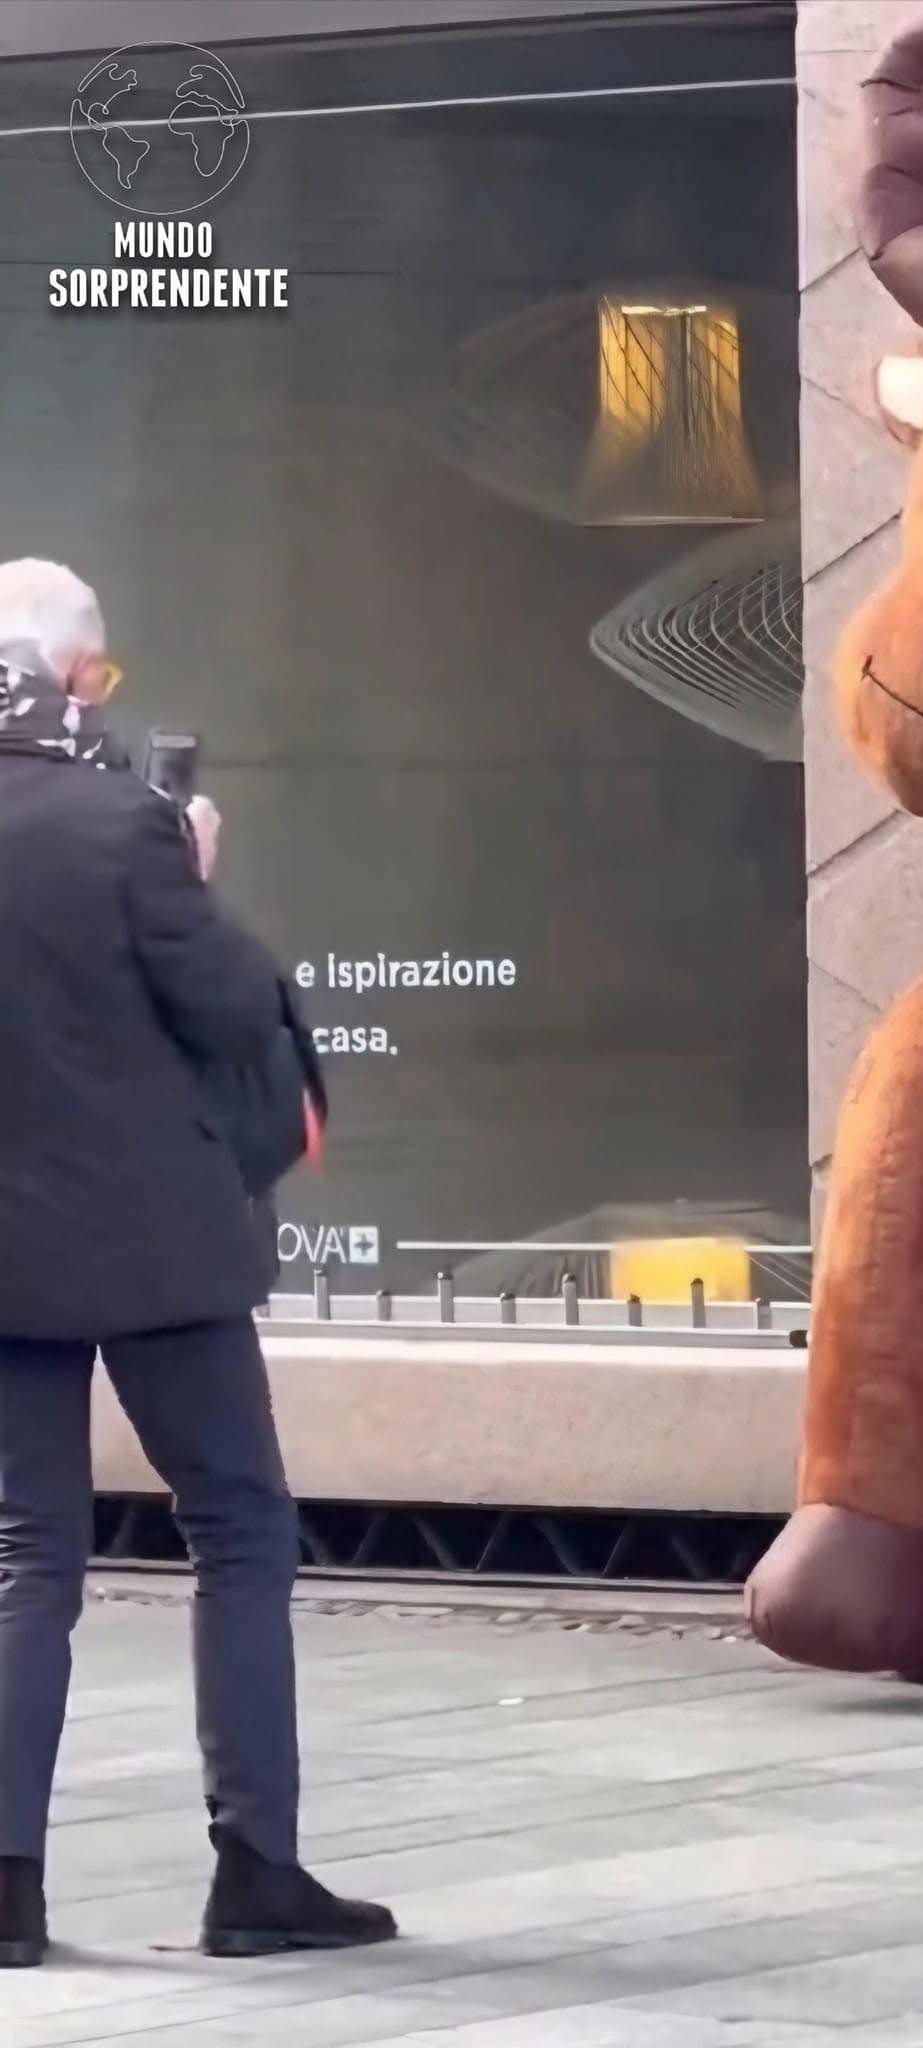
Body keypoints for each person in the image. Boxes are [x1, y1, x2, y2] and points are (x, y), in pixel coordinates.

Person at [0, 559, 395, 1966]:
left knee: (25, 1557)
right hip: (157, 1243)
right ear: (75, 677)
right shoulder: (123, 823)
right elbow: (230, 1009)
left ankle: (7, 1893)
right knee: (236, 1529)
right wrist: (198, 872)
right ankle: (255, 1872)